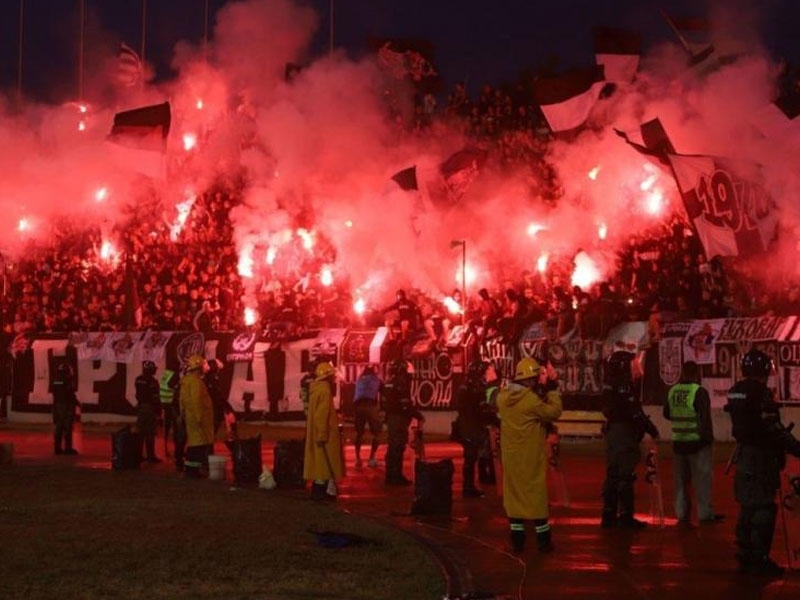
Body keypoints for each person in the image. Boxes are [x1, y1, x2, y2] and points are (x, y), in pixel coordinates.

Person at [725, 348, 800, 577]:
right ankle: (759, 557)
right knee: (764, 507)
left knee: (748, 505)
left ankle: (746, 552)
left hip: (744, 453)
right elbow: (773, 429)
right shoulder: (761, 393)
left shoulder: (735, 391)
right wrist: (796, 447)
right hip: (761, 457)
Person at [496, 357, 562, 553]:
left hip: (510, 457)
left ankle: (517, 540)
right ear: (531, 379)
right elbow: (554, 412)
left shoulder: (503, 398)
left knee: (514, 497)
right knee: (536, 497)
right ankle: (543, 540)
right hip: (530, 457)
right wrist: (552, 389)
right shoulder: (532, 402)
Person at [600, 350, 659, 529]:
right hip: (623, 432)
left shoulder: (610, 386)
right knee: (625, 474)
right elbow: (635, 412)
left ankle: (608, 514)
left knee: (613, 473)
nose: (637, 367)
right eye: (633, 364)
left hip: (613, 431)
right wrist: (651, 429)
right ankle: (626, 516)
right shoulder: (624, 386)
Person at [663, 360, 721, 526]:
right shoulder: (699, 392)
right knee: (702, 481)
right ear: (696, 374)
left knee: (681, 483)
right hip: (698, 443)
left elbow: (667, 413)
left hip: (679, 443)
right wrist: (707, 440)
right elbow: (704, 419)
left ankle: (682, 515)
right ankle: (705, 514)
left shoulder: (673, 390)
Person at [454, 359, 498, 498]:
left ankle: (469, 486)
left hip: (466, 426)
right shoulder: (475, 388)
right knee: (471, 457)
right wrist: (495, 419)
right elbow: (480, 409)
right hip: (471, 427)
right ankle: (469, 487)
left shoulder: (466, 386)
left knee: (470, 458)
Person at [303, 361, 344, 500]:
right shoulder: (325, 390)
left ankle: (318, 490)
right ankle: (322, 492)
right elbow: (322, 414)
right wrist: (322, 435)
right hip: (325, 435)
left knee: (319, 464)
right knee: (326, 464)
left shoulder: (315, 389)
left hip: (316, 432)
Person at [383, 359, 424, 486]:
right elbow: (405, 403)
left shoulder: (388, 382)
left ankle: (390, 475)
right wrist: (417, 415)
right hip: (399, 418)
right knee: (398, 446)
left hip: (391, 417)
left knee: (392, 446)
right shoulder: (401, 383)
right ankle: (396, 476)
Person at [179, 354, 215, 478]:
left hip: (191, 417)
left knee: (194, 443)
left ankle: (191, 470)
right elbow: (196, 401)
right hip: (198, 418)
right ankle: (192, 471)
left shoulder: (186, 380)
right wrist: (199, 418)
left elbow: (182, 401)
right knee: (197, 445)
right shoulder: (196, 382)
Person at [353, 364, 383, 469]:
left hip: (358, 406)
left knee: (359, 434)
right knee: (376, 433)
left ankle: (357, 459)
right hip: (371, 406)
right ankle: (372, 459)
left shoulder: (359, 379)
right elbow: (383, 392)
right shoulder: (376, 379)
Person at [135, 360, 162, 463]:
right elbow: (155, 397)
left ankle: (138, 455)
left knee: (140, 432)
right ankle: (150, 456)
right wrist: (158, 411)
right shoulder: (152, 381)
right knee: (150, 432)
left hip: (141, 407)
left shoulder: (138, 379)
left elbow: (138, 395)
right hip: (149, 409)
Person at [52, 362, 79, 455]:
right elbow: (70, 394)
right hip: (67, 406)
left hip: (58, 405)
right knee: (68, 427)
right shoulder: (67, 380)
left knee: (59, 427)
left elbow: (55, 394)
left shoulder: (56, 380)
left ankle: (57, 448)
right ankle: (68, 449)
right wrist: (77, 403)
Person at [158, 367, 179, 458]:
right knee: (175, 429)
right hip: (170, 404)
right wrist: (178, 387)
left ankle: (164, 450)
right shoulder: (174, 374)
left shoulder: (167, 372)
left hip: (164, 402)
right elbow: (171, 385)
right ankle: (173, 451)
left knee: (165, 429)